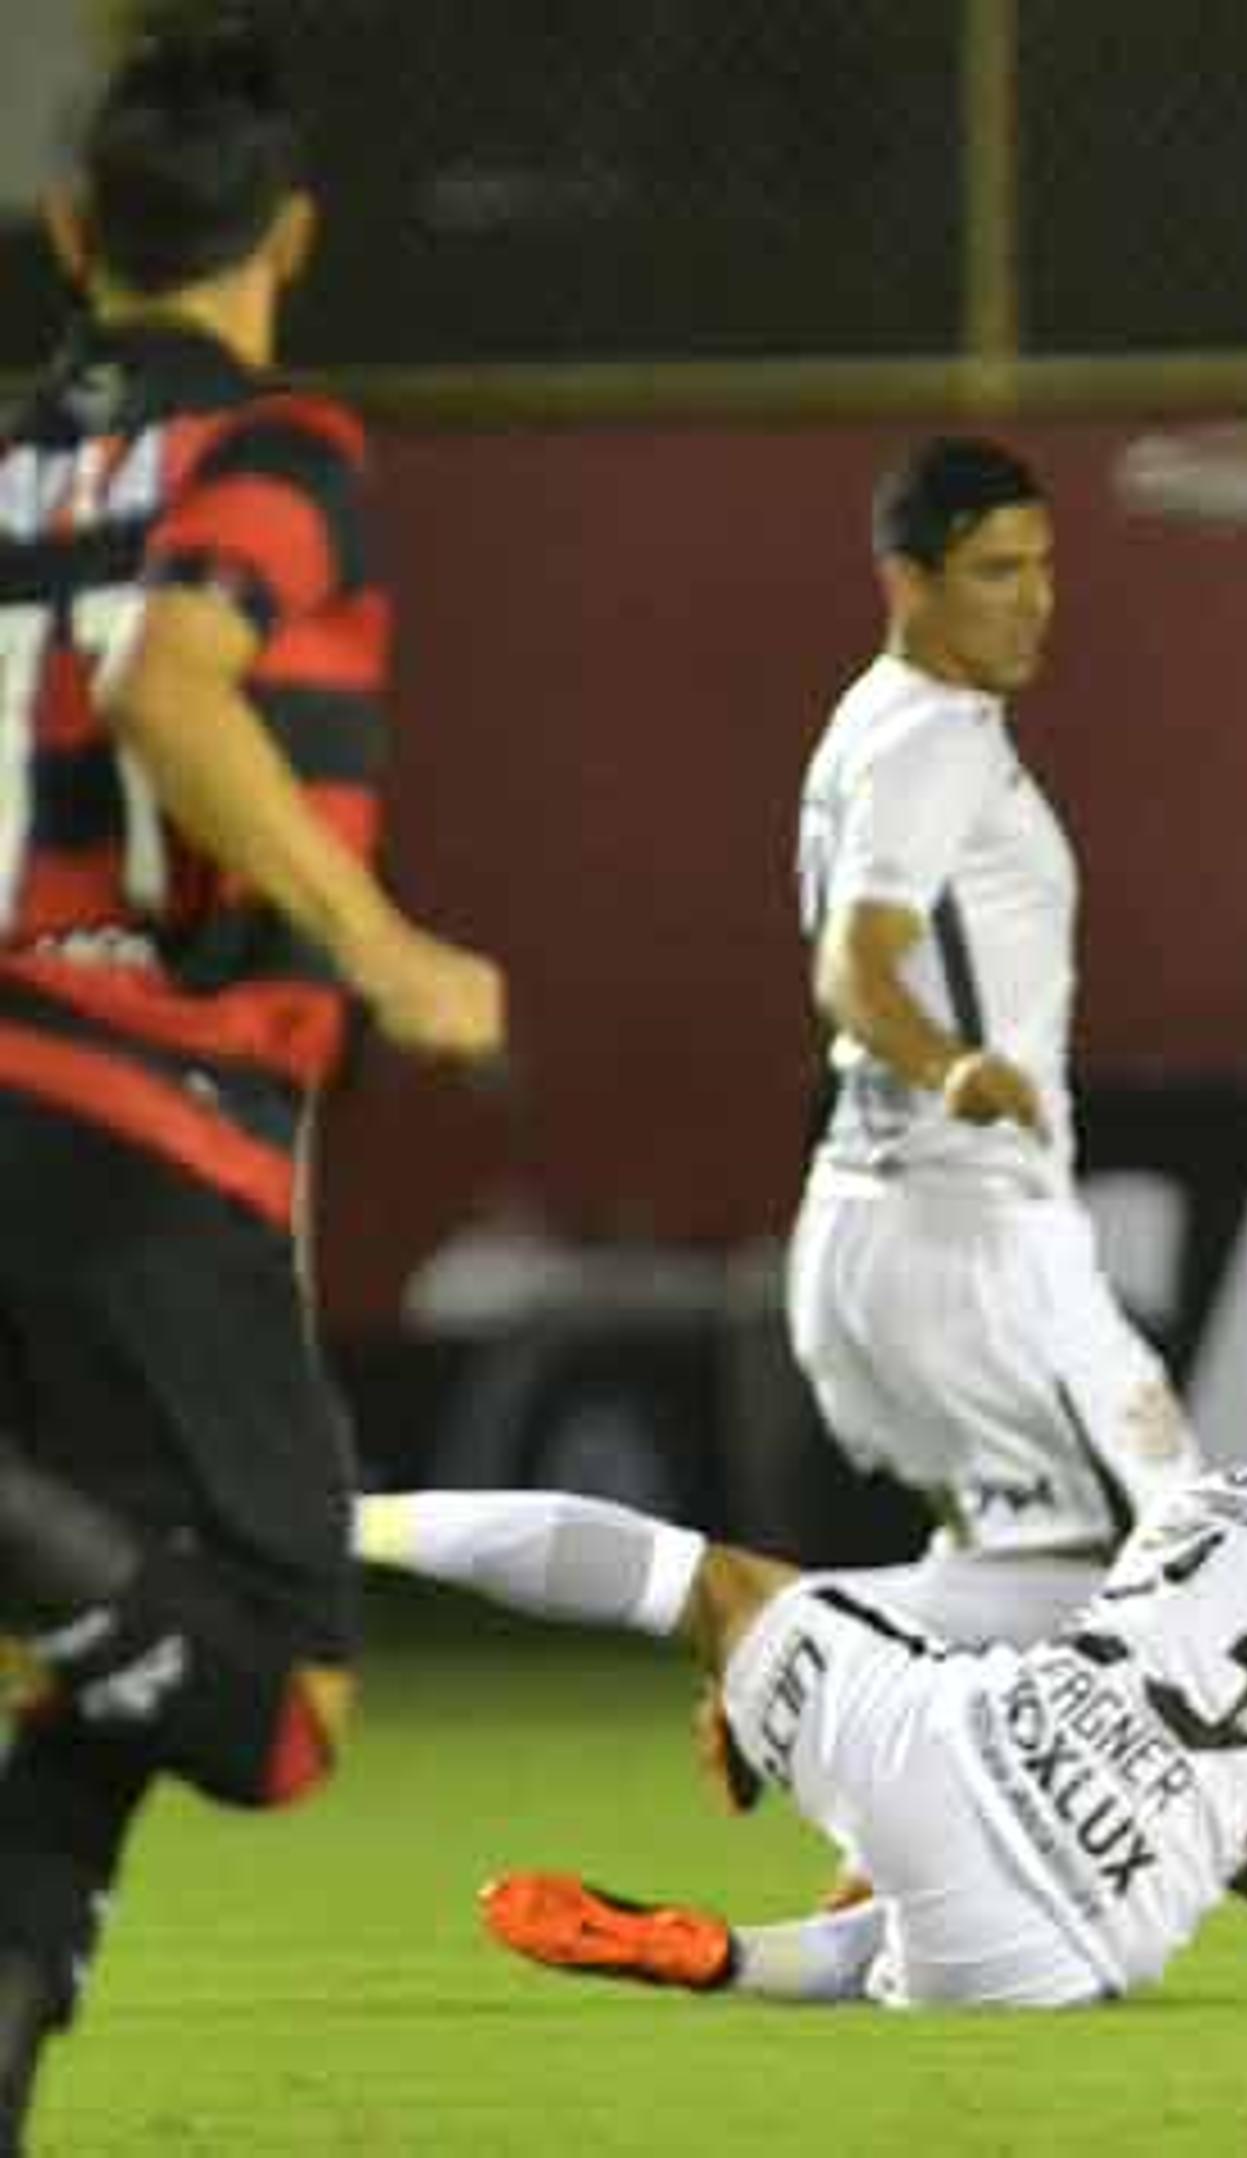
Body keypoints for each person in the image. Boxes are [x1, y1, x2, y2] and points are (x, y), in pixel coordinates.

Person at [0, 21, 507, 2144]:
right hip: (139, 1107)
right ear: (292, 235)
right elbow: (172, 683)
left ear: (69, 232)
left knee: (104, 1671)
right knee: (280, 1693)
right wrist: (381, 946)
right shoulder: (280, 451)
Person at [353, 1326, 1247, 2008]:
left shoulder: (1214, 1499)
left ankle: (352, 1522)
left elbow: (1136, 1716)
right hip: (1069, 1949)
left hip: (946, 1750)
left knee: (710, 1584)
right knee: (924, 1940)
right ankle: (742, 1959)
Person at [785, 435, 1204, 1647]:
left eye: (1043, 565)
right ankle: (789, 1648)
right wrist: (953, 1065)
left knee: (1015, 1627)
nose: (1036, 601)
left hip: (874, 1232)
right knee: (1180, 1588)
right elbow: (851, 968)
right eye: (994, 572)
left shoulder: (870, 720)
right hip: (972, 1242)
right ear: (906, 584)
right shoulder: (936, 740)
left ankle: (844, 1708)